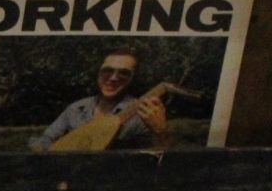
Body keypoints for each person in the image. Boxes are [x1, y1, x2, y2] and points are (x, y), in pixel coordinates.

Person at [28, 46, 168, 152]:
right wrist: (53, 151)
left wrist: (160, 131)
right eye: (108, 70)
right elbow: (44, 139)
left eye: (124, 73)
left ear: (133, 79)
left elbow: (160, 161)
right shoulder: (76, 108)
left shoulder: (142, 113)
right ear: (98, 73)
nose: (113, 78)